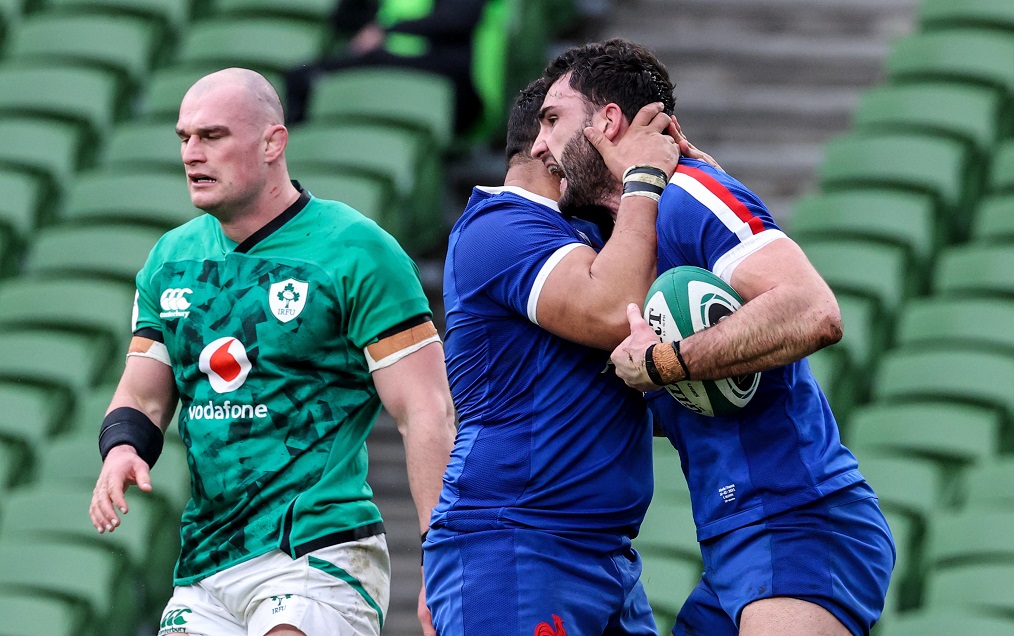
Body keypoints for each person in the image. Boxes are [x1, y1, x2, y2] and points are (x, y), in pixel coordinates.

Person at [531, 39, 895, 636]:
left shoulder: (687, 195)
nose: (540, 144)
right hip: (734, 543)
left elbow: (814, 309)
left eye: (552, 120)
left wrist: (666, 362)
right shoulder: (615, 247)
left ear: (609, 123)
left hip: (799, 520)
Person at [88, 67, 456, 636]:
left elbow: (426, 411)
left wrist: (442, 560)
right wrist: (121, 449)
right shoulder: (170, 259)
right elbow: (143, 393)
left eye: (212, 137)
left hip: (317, 550)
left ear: (272, 143)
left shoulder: (358, 251)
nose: (192, 153)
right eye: (184, 138)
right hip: (207, 561)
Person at [421, 69, 685, 634]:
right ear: (549, 143)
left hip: (602, 552)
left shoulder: (586, 239)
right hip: (513, 540)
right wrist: (641, 181)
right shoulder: (498, 226)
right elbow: (613, 310)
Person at [284, 0, 486, 131]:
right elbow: (345, 19)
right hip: (382, 57)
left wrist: (388, 30)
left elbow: (457, 20)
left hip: (450, 74)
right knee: (299, 76)